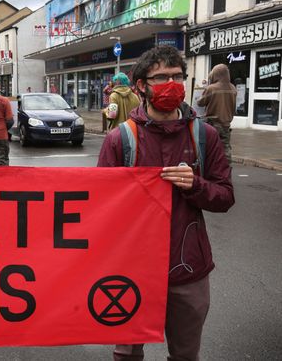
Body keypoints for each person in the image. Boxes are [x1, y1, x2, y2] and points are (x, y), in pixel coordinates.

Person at [97, 45, 235, 361]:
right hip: (131, 271)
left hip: (187, 269)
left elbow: (225, 196)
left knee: (185, 355)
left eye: (177, 76)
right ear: (141, 86)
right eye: (161, 77)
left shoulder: (205, 136)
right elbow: (100, 208)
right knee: (127, 354)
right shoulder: (120, 140)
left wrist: (196, 186)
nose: (171, 84)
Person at [197, 64, 237, 163]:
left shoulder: (212, 88)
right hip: (226, 125)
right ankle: (226, 170)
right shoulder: (232, 88)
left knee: (209, 149)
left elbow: (200, 103)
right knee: (225, 149)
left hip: (212, 123)